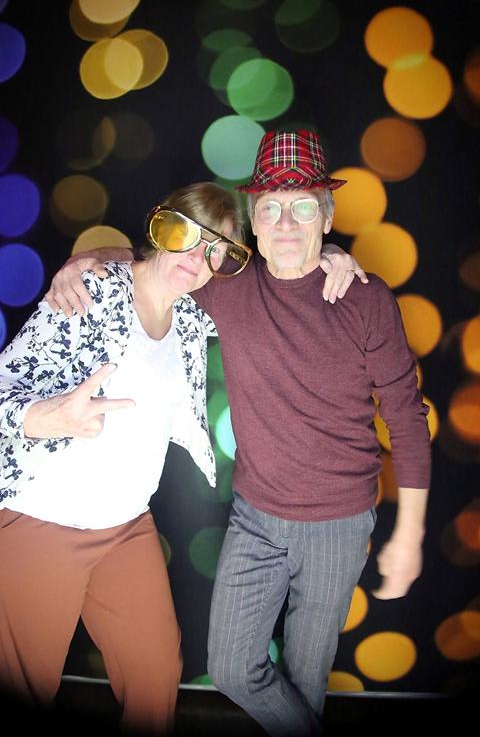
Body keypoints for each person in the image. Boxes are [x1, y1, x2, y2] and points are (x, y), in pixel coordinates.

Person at [48, 130, 431, 737]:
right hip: (256, 518)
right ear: (252, 220)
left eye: (303, 206)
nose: (286, 223)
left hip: (339, 524)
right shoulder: (226, 286)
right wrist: (85, 261)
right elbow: (155, 264)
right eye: (271, 208)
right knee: (231, 668)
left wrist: (409, 533)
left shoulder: (365, 299)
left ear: (327, 217)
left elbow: (407, 418)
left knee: (305, 678)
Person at [0, 181, 254, 736]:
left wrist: (330, 256)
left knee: (155, 674)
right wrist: (44, 417)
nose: (198, 258)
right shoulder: (92, 292)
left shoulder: (192, 318)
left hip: (124, 527)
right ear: (163, 228)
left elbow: (280, 292)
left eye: (216, 250)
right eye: (189, 236)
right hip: (36, 519)